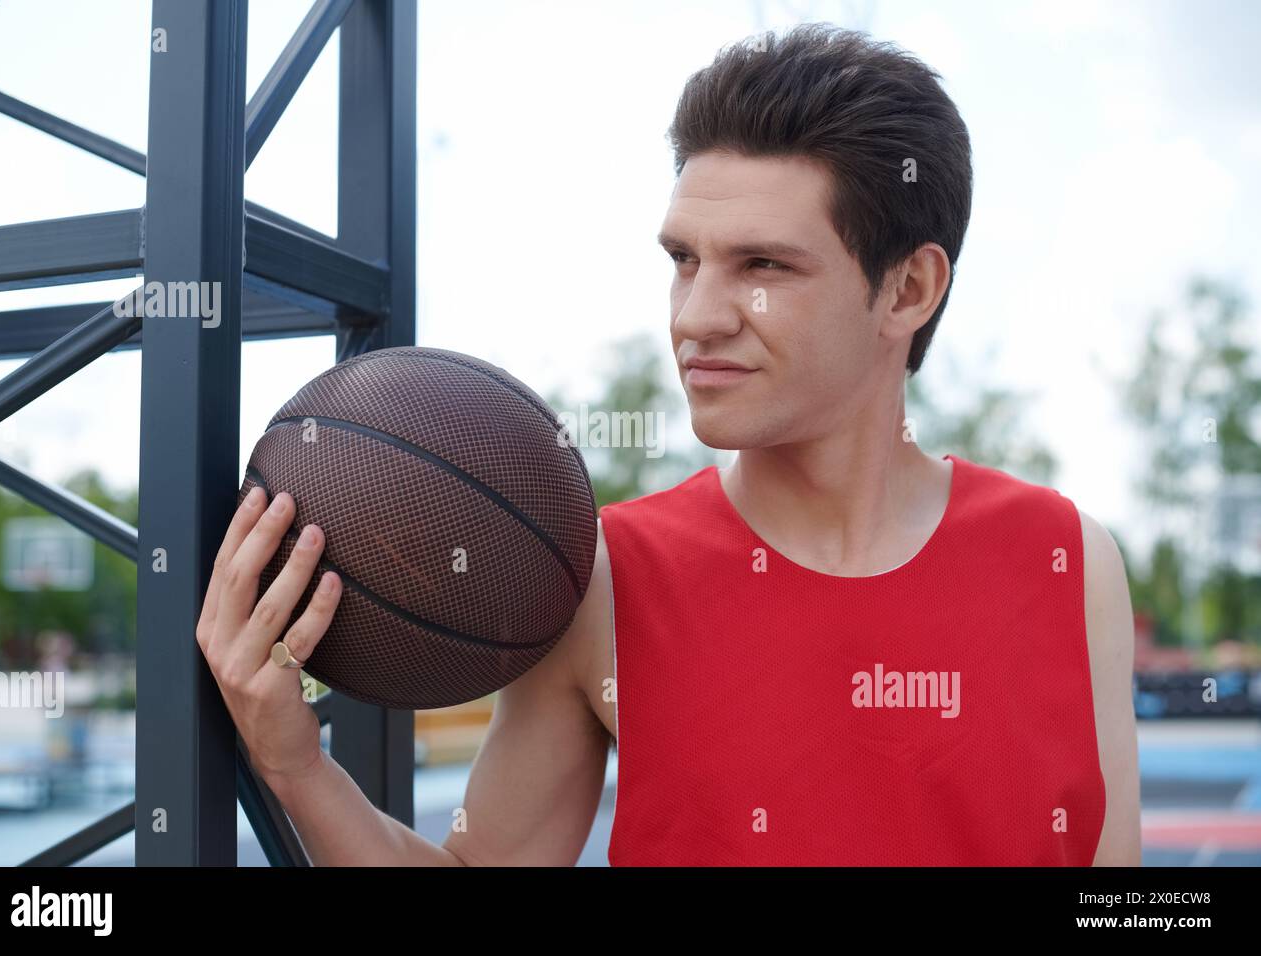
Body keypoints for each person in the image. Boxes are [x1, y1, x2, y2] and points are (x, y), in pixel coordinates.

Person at [196, 22, 1141, 866]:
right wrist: (295, 762)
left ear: (908, 291)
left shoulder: (1068, 560)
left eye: (762, 267)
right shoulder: (602, 577)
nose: (696, 317)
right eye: (683, 260)